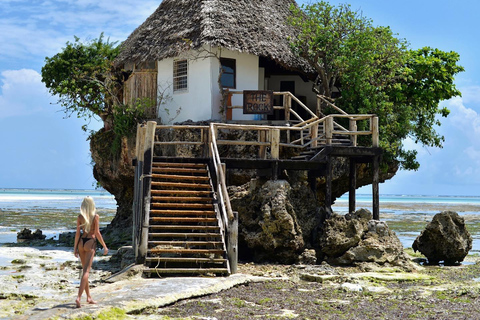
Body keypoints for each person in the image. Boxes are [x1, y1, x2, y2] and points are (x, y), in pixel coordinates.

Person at [73, 196, 108, 308]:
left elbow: (77, 234)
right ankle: (78, 298)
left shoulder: (80, 217)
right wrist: (104, 246)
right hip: (90, 242)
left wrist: (74, 248)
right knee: (86, 272)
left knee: (84, 272)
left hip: (81, 243)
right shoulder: (95, 216)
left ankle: (88, 297)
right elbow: (97, 233)